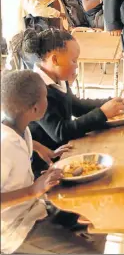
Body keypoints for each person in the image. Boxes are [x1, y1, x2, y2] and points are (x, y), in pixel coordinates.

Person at [1, 70, 107, 254]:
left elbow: (23, 140)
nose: (48, 102)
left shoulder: (17, 126)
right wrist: (33, 189)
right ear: (35, 109)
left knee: (98, 220)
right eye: (45, 98)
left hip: (33, 208)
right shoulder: (4, 146)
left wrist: (41, 148)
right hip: (14, 229)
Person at [10, 29, 124, 158]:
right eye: (73, 61)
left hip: (63, 149)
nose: (76, 66)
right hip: (45, 162)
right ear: (55, 60)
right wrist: (102, 113)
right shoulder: (38, 90)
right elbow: (60, 132)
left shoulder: (58, 79)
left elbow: (77, 106)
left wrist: (111, 101)